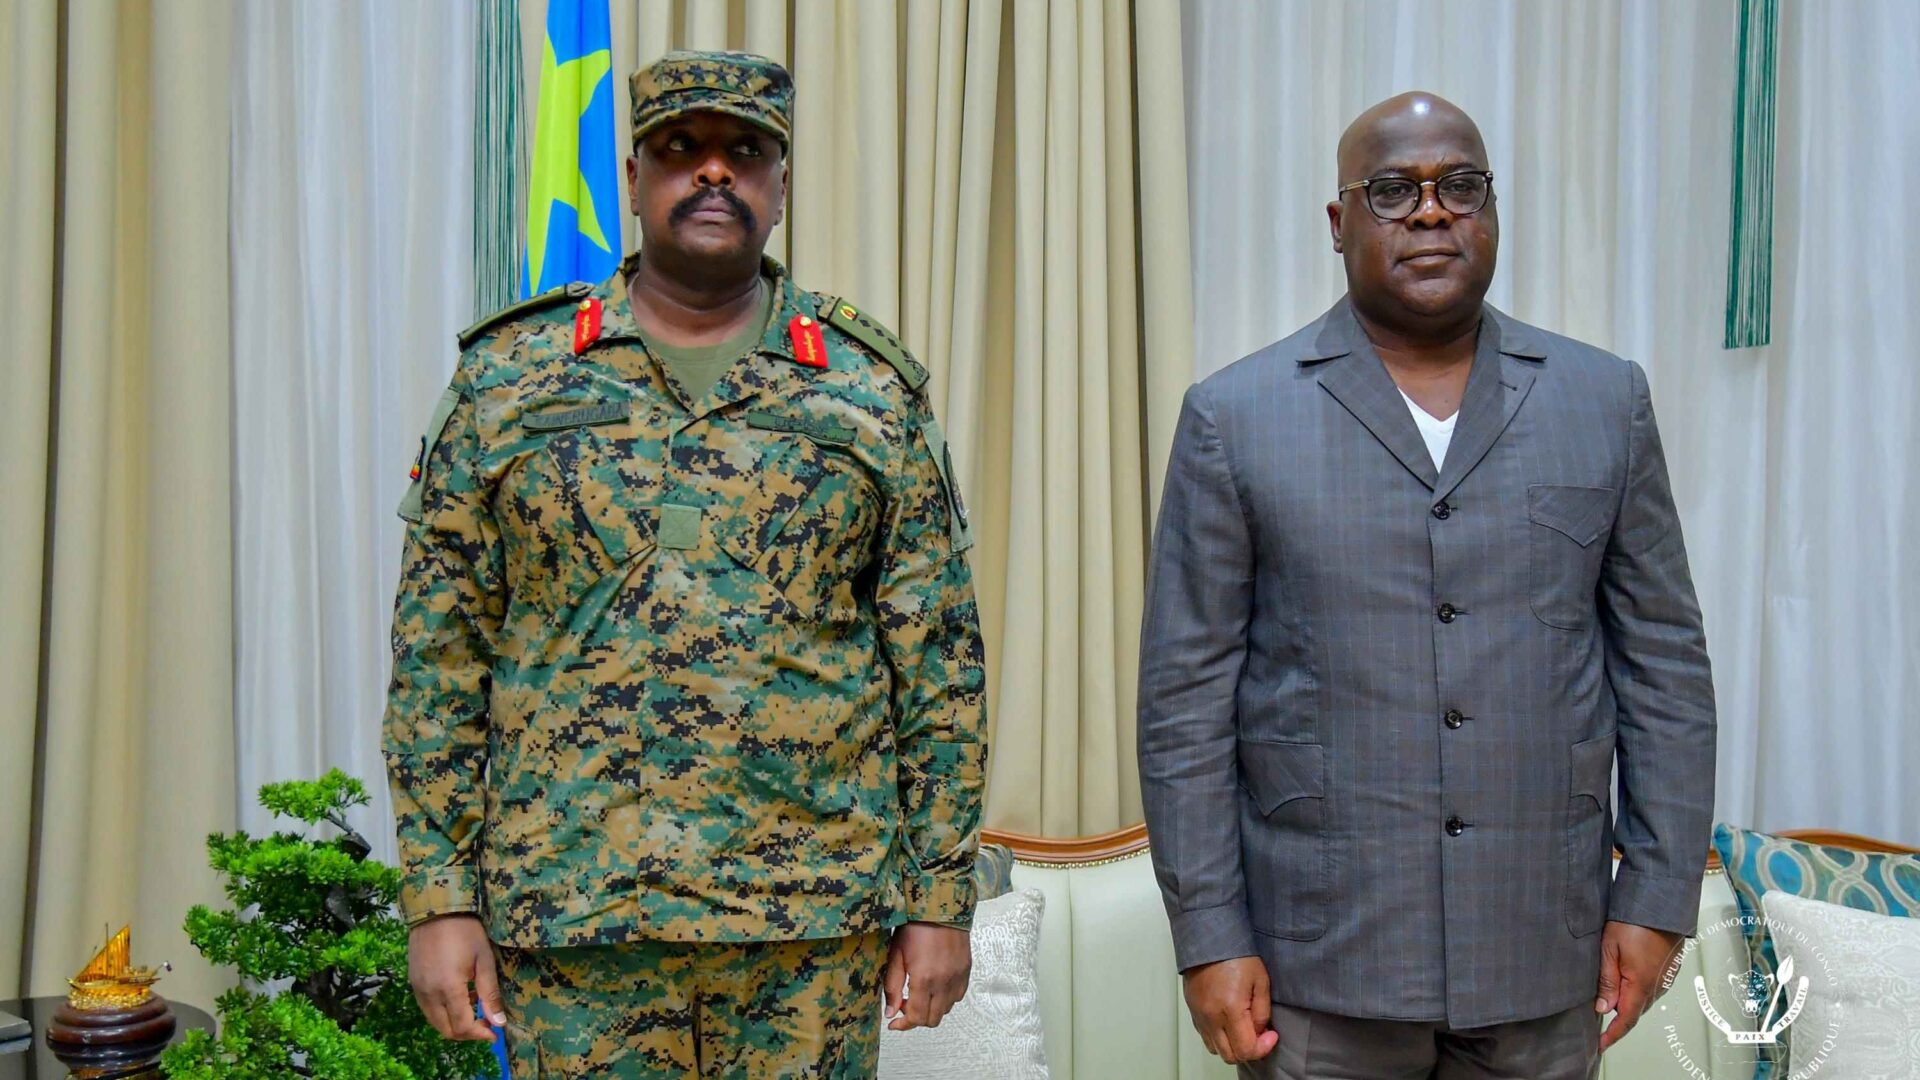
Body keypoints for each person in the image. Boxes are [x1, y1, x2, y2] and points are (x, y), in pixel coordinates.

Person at [383, 50, 987, 1079]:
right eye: (680, 149)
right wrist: (439, 901)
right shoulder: (509, 379)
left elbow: (938, 666)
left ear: (781, 186)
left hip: (807, 927)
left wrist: (938, 901)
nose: (713, 172)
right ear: (632, 180)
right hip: (575, 920)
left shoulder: (868, 391)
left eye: (745, 152)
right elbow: (438, 657)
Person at [1136, 92, 1716, 1079]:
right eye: (1394, 191)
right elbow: (1184, 706)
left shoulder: (1602, 401)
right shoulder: (1235, 418)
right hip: (1319, 964)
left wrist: (1657, 898)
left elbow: (1665, 671)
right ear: (1340, 223)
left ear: (1492, 209)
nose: (1433, 211)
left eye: (1461, 186)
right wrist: (1209, 935)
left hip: (1543, 948)